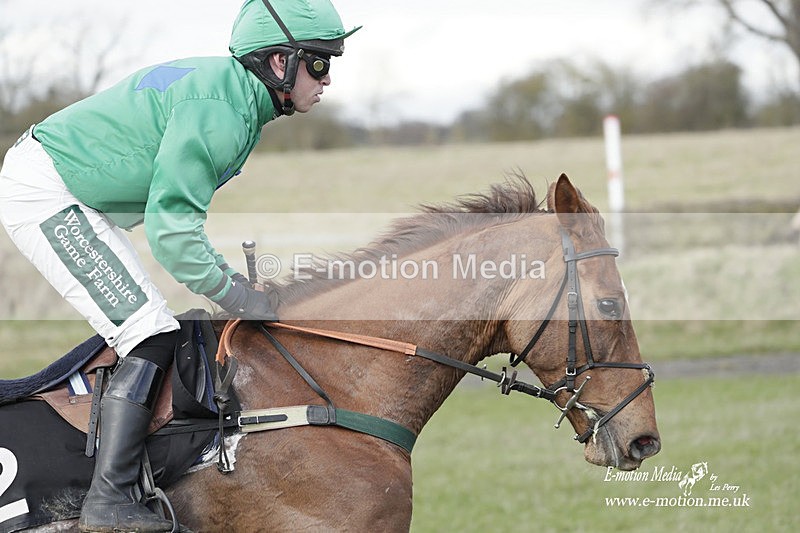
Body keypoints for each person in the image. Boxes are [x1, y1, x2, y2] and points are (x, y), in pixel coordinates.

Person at [0, 0, 359, 531]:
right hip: (48, 195)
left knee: (151, 328)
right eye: (321, 63)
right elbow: (171, 234)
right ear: (279, 63)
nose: (328, 78)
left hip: (71, 193)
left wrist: (229, 285)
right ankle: (108, 500)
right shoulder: (223, 111)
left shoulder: (234, 100)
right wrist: (236, 295)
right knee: (148, 331)